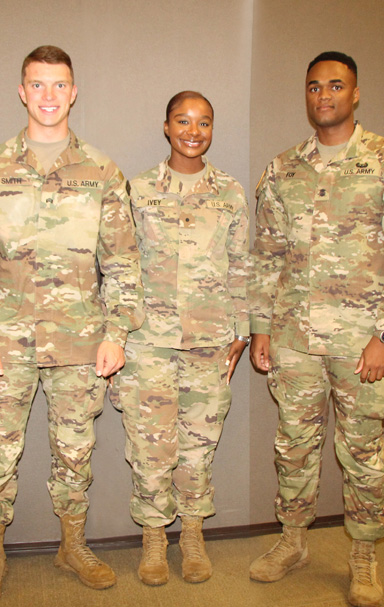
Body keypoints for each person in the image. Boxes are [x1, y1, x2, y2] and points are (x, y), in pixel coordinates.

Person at [0, 45, 144, 606]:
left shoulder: (102, 172)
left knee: (75, 450)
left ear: (74, 91)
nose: (49, 96)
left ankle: (73, 544)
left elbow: (123, 259)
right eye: (38, 85)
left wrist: (117, 332)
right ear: (22, 91)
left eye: (59, 85)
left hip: (81, 342)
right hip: (4, 345)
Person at [248, 52, 384, 607]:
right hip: (295, 340)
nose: (323, 95)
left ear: (355, 94)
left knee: (364, 450)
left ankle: (364, 553)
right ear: (305, 97)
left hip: (362, 344)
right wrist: (261, 327)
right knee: (295, 446)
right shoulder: (282, 170)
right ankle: (293, 540)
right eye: (313, 87)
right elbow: (267, 255)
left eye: (335, 85)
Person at [111, 91, 249, 585]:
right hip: (148, 341)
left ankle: (191, 534)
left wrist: (243, 329)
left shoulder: (229, 192)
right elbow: (120, 264)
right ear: (165, 126)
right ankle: (153, 536)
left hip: (211, 341)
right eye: (183, 120)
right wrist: (118, 329)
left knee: (199, 443)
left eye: (204, 122)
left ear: (212, 130)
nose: (194, 130)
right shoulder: (138, 190)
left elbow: (240, 265)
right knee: (151, 444)